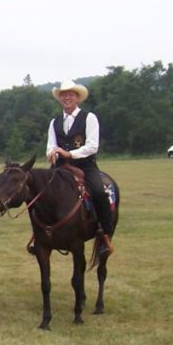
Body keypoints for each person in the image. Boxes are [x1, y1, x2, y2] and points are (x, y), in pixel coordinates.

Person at [45, 79, 115, 255]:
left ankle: (105, 234)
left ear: (77, 98)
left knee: (99, 192)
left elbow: (92, 146)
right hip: (60, 167)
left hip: (85, 165)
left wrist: (70, 154)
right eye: (63, 95)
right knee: (41, 193)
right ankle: (40, 233)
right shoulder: (54, 122)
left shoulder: (89, 118)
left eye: (70, 94)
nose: (66, 97)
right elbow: (50, 145)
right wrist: (51, 153)